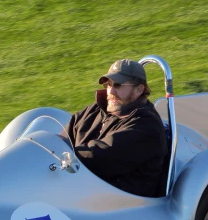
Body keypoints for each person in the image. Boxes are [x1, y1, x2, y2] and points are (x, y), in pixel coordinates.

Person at [65, 59, 168, 197]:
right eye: (108, 85)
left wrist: (62, 158)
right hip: (83, 191)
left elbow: (99, 158)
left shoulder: (146, 125)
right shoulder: (95, 110)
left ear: (139, 90)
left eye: (118, 85)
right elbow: (63, 137)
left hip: (121, 205)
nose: (111, 91)